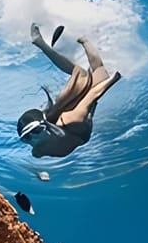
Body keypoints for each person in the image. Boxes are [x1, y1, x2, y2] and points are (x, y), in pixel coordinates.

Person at [18, 23, 121, 157]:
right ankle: (51, 43)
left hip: (70, 125)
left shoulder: (72, 119)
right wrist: (113, 78)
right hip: (76, 132)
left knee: (93, 72)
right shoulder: (38, 150)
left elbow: (93, 95)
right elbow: (92, 96)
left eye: (34, 132)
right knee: (92, 76)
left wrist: (114, 78)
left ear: (44, 127)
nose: (32, 140)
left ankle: (83, 40)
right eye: (26, 138)